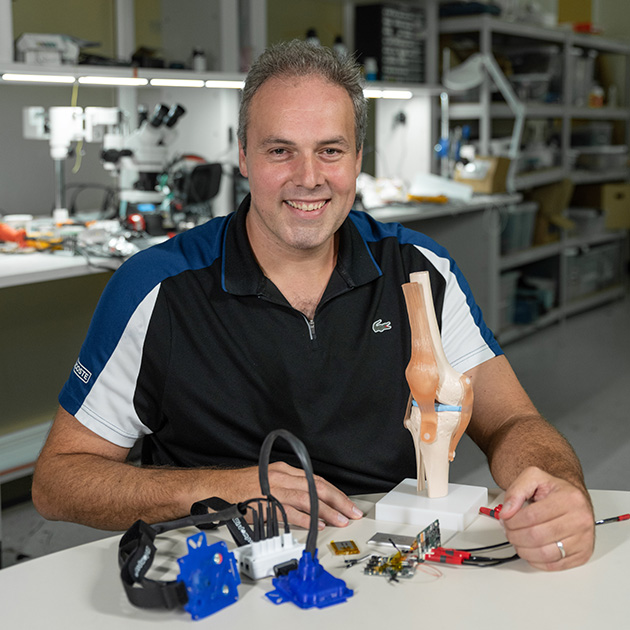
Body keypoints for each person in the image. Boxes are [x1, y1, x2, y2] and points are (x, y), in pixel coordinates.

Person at [32, 40, 594, 571]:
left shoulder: (419, 269)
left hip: (384, 560)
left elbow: (514, 422)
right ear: (244, 155)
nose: (309, 178)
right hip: (222, 568)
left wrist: (556, 486)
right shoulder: (157, 288)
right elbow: (58, 481)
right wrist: (223, 489)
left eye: (330, 150)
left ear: (357, 158)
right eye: (281, 150)